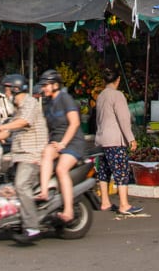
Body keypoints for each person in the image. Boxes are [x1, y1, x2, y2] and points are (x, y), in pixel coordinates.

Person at [0, 73, 49, 244]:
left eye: (6, 89)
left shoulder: (30, 103)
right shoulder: (18, 108)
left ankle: (32, 228)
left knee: (21, 185)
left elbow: (22, 123)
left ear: (15, 89)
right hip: (19, 155)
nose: (5, 93)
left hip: (32, 154)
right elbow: (8, 131)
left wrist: (0, 126)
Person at [37, 68, 87, 223]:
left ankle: (69, 210)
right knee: (45, 153)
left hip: (72, 142)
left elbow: (75, 123)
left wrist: (63, 143)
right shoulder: (48, 104)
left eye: (46, 85)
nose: (43, 88)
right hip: (56, 143)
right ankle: (44, 192)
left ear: (55, 85)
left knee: (61, 169)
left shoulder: (65, 99)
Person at [94, 68, 143, 216]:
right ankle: (124, 205)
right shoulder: (117, 95)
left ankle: (105, 202)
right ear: (118, 80)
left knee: (104, 171)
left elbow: (97, 119)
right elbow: (123, 119)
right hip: (114, 140)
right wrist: (131, 139)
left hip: (101, 139)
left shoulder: (100, 96)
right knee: (121, 171)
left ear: (104, 81)